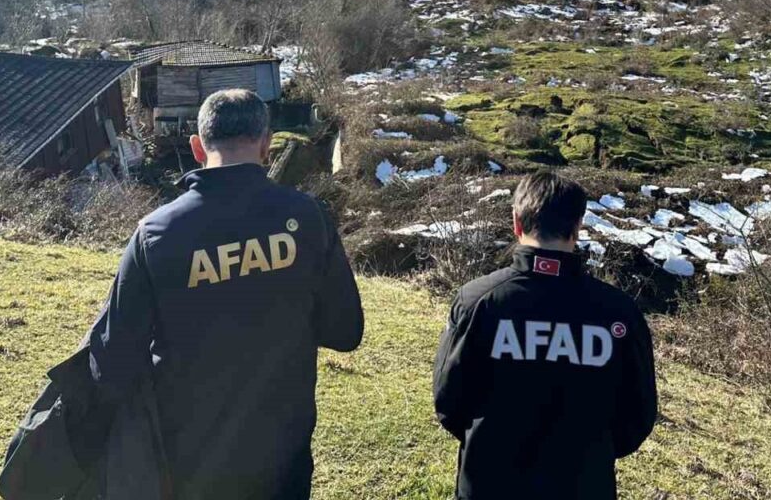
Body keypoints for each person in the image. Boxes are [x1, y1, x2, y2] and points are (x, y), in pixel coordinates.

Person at [88, 88, 364, 500]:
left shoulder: (156, 234)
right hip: (283, 455)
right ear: (267, 145)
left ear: (197, 147)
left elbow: (113, 364)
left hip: (186, 461)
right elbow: (345, 332)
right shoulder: (308, 218)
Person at [432, 170, 657, 499]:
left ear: (516, 222)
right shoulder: (619, 313)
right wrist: (588, 455)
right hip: (584, 486)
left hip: (489, 483)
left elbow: (449, 401)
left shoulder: (476, 301)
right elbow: (637, 416)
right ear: (577, 227)